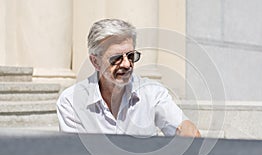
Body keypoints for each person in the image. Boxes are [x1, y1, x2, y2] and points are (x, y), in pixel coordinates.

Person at [56, 18, 200, 137]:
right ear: (95, 62)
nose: (126, 64)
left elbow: (185, 129)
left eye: (131, 56)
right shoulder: (71, 101)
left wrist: (187, 132)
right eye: (116, 58)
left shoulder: (152, 93)